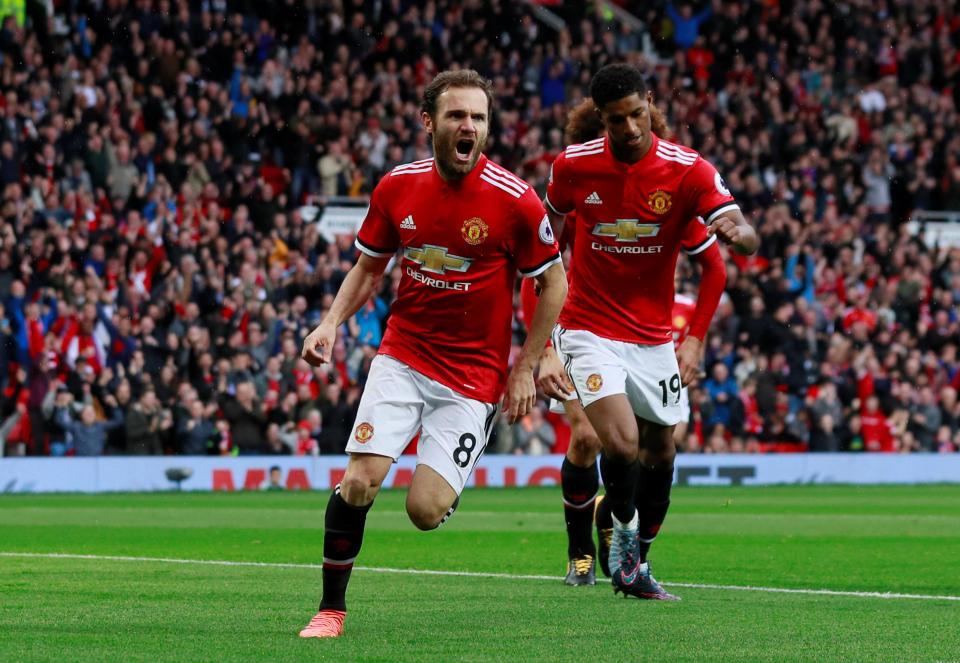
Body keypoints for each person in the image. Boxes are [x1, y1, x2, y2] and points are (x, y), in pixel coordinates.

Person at [297, 69, 567, 638]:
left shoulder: (516, 200)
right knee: (360, 480)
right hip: (404, 355)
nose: (469, 126)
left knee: (423, 512)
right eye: (456, 116)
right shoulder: (397, 186)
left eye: (478, 118)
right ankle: (330, 610)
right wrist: (329, 323)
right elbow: (370, 267)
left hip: (474, 376)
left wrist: (531, 363)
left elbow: (554, 283)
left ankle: (447, 481)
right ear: (429, 123)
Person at [541, 64, 758, 599]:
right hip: (586, 327)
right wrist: (544, 344)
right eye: (618, 120)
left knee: (660, 450)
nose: (631, 127)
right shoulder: (573, 167)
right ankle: (607, 546)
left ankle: (638, 557)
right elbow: (542, 255)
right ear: (602, 119)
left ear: (649, 103)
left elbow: (736, 249)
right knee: (612, 439)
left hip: (654, 338)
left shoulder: (688, 172)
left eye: (637, 114)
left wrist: (696, 333)